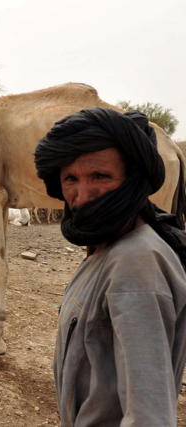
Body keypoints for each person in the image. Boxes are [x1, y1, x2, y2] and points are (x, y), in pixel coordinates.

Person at [34, 107, 186, 426]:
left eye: (100, 176)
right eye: (70, 179)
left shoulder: (136, 264)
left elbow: (149, 417)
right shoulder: (107, 248)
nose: (83, 195)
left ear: (131, 182)